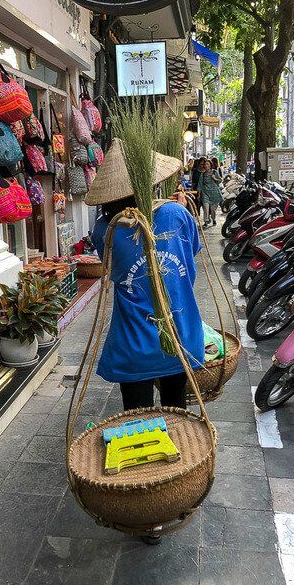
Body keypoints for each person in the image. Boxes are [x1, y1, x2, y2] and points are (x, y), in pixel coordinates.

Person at [86, 139, 205, 413]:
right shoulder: (176, 213)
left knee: (139, 422)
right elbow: (191, 254)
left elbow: (110, 268)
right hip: (181, 337)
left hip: (133, 346)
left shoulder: (106, 229)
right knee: (177, 415)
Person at [197, 159, 223, 227]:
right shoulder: (202, 174)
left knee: (212, 209)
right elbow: (200, 185)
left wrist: (215, 178)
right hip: (205, 192)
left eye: (208, 164)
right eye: (205, 164)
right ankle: (206, 221)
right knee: (205, 207)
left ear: (210, 165)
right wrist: (199, 194)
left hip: (214, 193)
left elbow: (220, 180)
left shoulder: (214, 172)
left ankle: (213, 219)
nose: (206, 165)